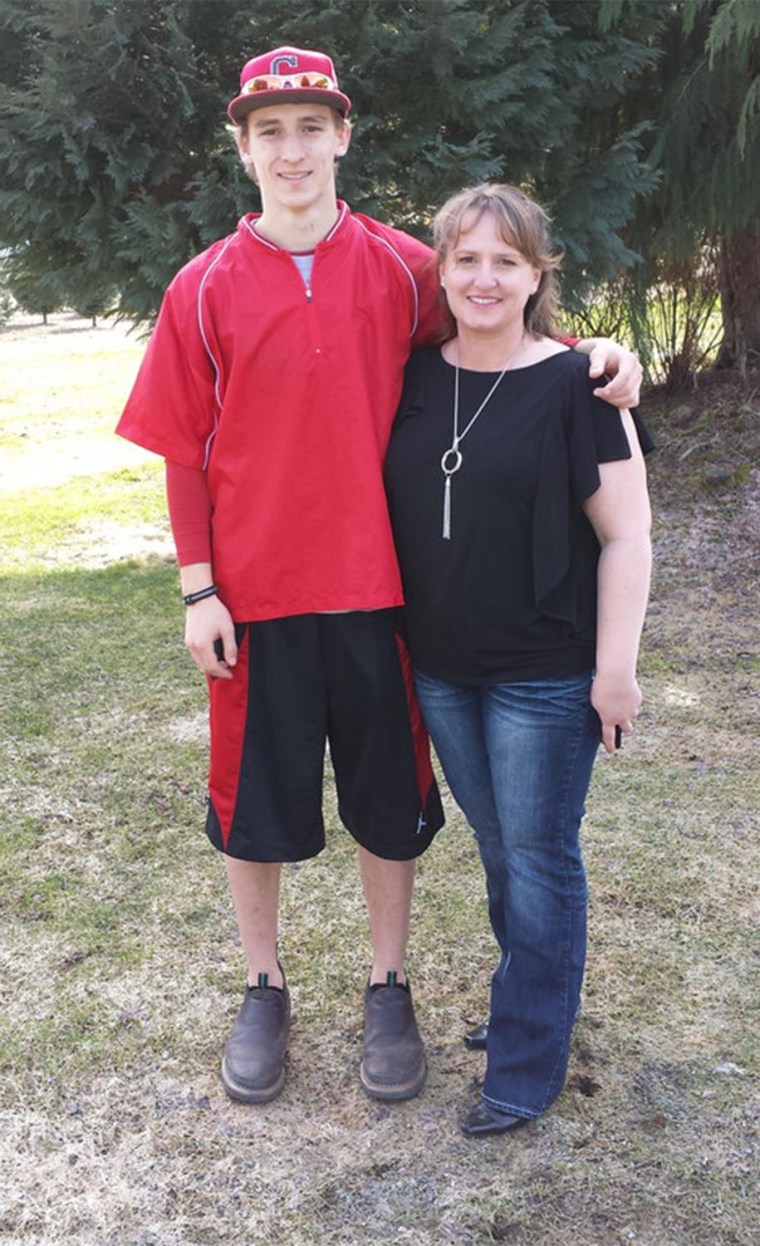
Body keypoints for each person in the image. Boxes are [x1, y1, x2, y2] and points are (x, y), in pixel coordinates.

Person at [116, 46, 644, 1108]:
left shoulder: (407, 266)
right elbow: (182, 446)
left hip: (384, 595)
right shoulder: (202, 285)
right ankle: (264, 983)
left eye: (312, 126)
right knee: (250, 807)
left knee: (387, 805)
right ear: (244, 147)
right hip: (254, 600)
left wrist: (603, 354)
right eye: (271, 131)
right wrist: (196, 587)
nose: (294, 149)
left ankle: (385, 981)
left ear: (343, 135)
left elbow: (505, 331)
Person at [384, 183, 652, 1137]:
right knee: (500, 852)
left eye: (507, 260)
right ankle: (527, 1001)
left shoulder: (581, 382)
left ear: (537, 273)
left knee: (539, 859)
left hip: (546, 673)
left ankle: (530, 1059)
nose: (484, 278)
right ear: (441, 270)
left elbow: (628, 536)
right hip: (444, 669)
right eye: (466, 259)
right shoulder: (414, 377)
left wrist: (615, 671)